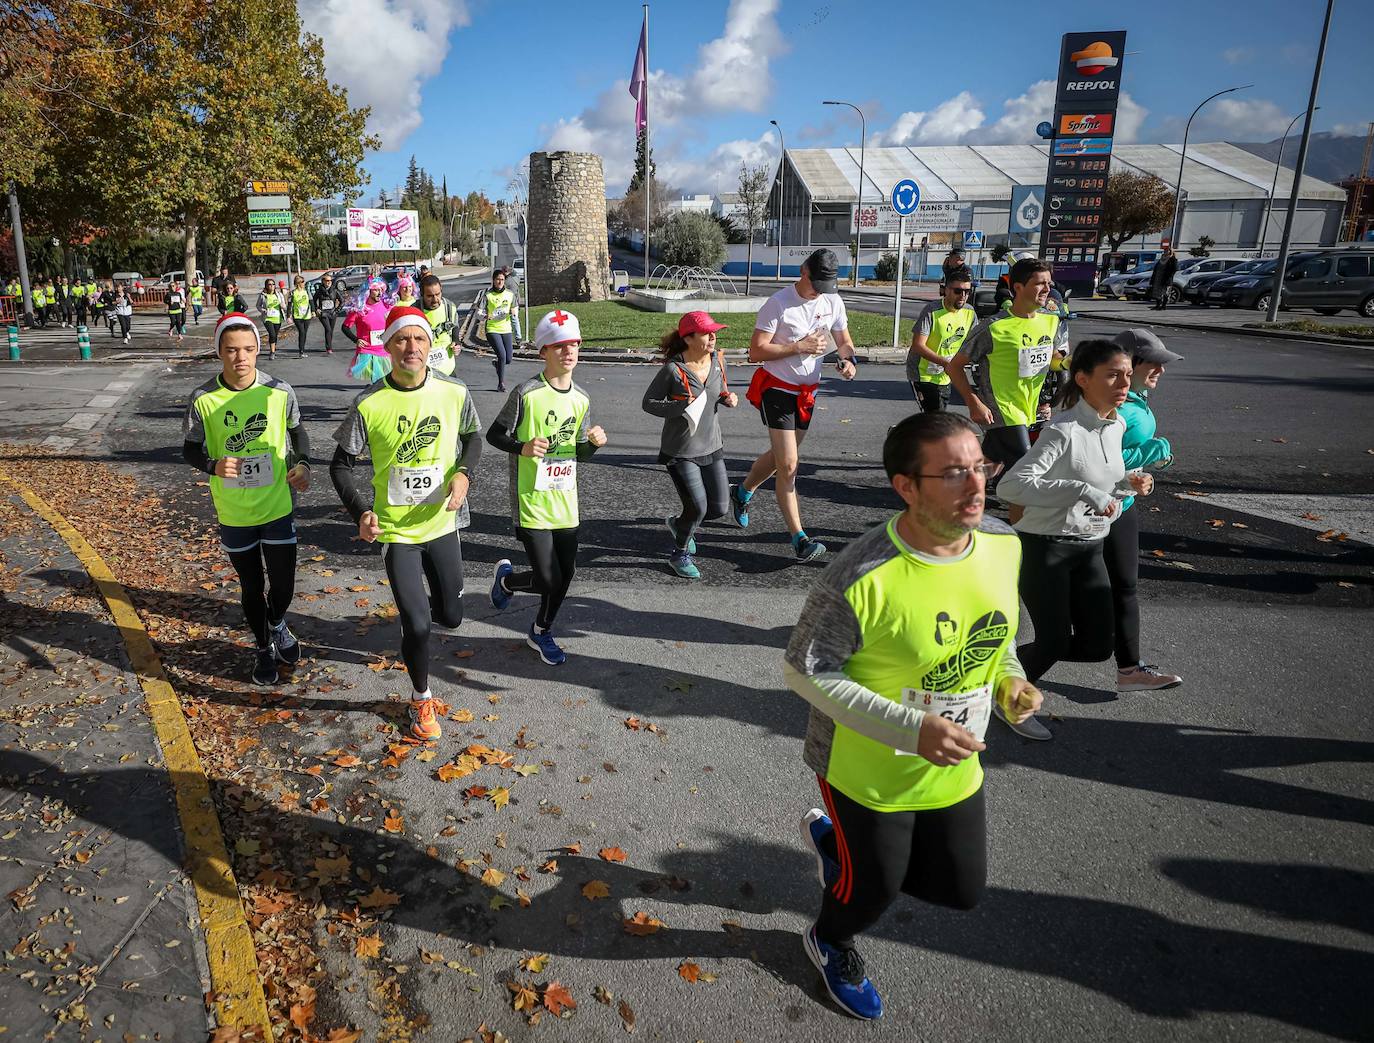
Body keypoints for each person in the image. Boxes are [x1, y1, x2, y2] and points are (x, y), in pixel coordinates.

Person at [786, 411, 1041, 1020]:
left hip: (955, 760)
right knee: (870, 893)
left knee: (960, 890)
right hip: (866, 769)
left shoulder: (1003, 544)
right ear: (906, 486)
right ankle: (830, 938)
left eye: (981, 467)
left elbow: (996, 636)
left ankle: (836, 847)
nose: (978, 487)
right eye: (954, 474)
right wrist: (911, 728)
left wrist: (1011, 683)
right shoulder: (860, 574)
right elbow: (803, 671)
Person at [331, 305, 483, 742]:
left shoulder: (454, 391)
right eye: (401, 339)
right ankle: (421, 700)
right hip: (397, 533)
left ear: (430, 344)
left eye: (419, 338)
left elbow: (473, 437)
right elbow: (340, 466)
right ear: (388, 347)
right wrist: (361, 511)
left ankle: (418, 617)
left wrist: (464, 473)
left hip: (443, 525)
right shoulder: (370, 401)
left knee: (451, 617)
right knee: (418, 625)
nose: (411, 347)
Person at [996, 339, 1154, 740]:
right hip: (1044, 546)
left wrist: (1126, 483)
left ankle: (999, 664)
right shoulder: (1063, 428)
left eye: (1127, 375)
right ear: (1083, 379)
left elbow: (1102, 479)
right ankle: (1006, 697)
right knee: (1050, 640)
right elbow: (1012, 486)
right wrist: (1083, 492)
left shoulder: (1116, 424)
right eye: (1113, 374)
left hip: (1091, 546)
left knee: (1098, 645)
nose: (1124, 382)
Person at [182, 313, 311, 686]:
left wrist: (302, 464)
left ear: (258, 350)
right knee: (251, 586)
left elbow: (298, 433)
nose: (242, 358)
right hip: (234, 510)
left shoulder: (280, 391)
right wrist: (212, 464)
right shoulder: (203, 398)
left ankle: (278, 622)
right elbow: (190, 450)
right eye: (232, 350)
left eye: (249, 350)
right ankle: (262, 648)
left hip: (277, 505)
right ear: (219, 352)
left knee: (283, 586)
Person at [486, 309, 607, 666]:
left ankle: (541, 630)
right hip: (530, 499)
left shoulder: (581, 398)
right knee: (547, 577)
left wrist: (593, 444)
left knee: (564, 574)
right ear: (543, 351)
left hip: (565, 499)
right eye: (559, 346)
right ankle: (509, 582)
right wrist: (521, 447)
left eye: (573, 344)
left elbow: (578, 454)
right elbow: (494, 435)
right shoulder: (527, 393)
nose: (568, 351)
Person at [730, 248, 857, 563]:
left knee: (781, 457)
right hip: (777, 389)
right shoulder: (779, 304)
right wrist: (797, 347)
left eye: (826, 287)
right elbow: (756, 351)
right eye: (816, 285)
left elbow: (844, 340)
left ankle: (742, 491)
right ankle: (799, 539)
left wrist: (847, 360)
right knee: (789, 465)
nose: (819, 293)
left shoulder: (833, 301)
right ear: (803, 271)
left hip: (807, 392)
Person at [1107, 329, 1184, 692]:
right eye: (1155, 362)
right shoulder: (1115, 405)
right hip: (1091, 511)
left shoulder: (1136, 400)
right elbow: (1098, 460)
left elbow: (1131, 460)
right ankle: (1011, 666)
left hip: (1123, 503)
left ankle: (1129, 670)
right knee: (1079, 610)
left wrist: (1154, 467)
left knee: (1125, 589)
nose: (1161, 371)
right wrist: (1153, 452)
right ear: (1129, 363)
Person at [945, 257, 1068, 483]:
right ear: (1018, 288)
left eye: (1049, 283)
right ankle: (1027, 516)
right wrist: (974, 402)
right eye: (1040, 283)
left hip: (1028, 407)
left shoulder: (1051, 322)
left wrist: (1071, 365)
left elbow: (1052, 360)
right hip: (1001, 408)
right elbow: (954, 366)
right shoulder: (994, 327)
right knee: (1026, 470)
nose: (1047, 289)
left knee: (990, 462)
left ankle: (950, 487)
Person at [641, 310, 738, 579]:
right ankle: (680, 553)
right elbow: (648, 403)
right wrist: (679, 406)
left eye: (714, 332)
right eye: (707, 333)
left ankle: (679, 524)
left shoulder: (718, 360)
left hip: (712, 444)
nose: (713, 337)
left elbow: (717, 393)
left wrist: (727, 398)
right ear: (689, 338)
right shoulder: (673, 370)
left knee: (719, 508)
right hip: (681, 451)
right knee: (698, 507)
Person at [907, 267, 975, 414]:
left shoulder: (970, 312)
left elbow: (974, 342)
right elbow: (918, 346)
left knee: (936, 419)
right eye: (958, 291)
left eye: (967, 291)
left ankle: (906, 434)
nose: (963, 296)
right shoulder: (932, 311)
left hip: (946, 375)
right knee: (935, 418)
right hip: (923, 374)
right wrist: (946, 363)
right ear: (946, 290)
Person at [341, 277, 393, 383]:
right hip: (368, 349)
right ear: (368, 291)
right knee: (377, 380)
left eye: (381, 290)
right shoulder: (359, 309)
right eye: (376, 290)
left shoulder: (387, 305)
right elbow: (345, 327)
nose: (380, 293)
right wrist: (356, 340)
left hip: (384, 348)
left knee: (386, 380)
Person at [482, 269, 521, 392]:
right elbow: (478, 312)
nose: (500, 282)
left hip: (506, 328)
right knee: (502, 356)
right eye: (498, 279)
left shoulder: (510, 295)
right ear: (493, 280)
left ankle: (498, 364)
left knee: (508, 358)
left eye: (502, 280)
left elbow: (515, 308)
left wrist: (514, 311)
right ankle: (501, 384)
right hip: (492, 329)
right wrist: (485, 315)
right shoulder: (488, 295)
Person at [420, 274, 460, 376]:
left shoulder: (450, 307)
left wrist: (456, 342)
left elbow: (455, 326)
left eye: (437, 294)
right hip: (425, 372)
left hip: (448, 369)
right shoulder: (414, 311)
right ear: (422, 294)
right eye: (429, 296)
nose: (435, 299)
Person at [312, 271, 344, 355]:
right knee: (328, 329)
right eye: (326, 280)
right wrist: (316, 309)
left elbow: (342, 301)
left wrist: (337, 310)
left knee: (330, 331)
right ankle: (328, 348)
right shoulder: (319, 291)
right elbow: (313, 301)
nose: (328, 282)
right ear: (323, 281)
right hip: (323, 313)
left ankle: (329, 345)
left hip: (332, 313)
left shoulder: (335, 290)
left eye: (330, 280)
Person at [257, 279, 285, 359]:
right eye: (269, 284)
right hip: (267, 318)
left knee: (275, 335)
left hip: (277, 318)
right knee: (272, 334)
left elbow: (284, 305)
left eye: (273, 284)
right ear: (266, 286)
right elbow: (258, 306)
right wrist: (263, 310)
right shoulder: (263, 295)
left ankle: (273, 349)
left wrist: (283, 306)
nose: (271, 286)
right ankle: (272, 352)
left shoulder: (279, 294)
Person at [289, 275, 312, 357]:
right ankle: (301, 351)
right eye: (302, 282)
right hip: (297, 316)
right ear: (298, 283)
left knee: (304, 333)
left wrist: (313, 311)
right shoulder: (293, 293)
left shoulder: (306, 291)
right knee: (302, 332)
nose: (304, 283)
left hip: (307, 316)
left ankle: (302, 349)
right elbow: (289, 304)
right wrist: (288, 316)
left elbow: (311, 301)